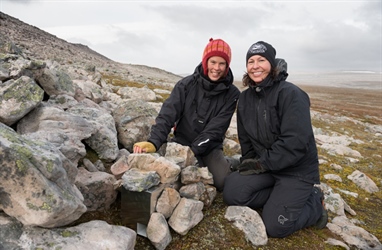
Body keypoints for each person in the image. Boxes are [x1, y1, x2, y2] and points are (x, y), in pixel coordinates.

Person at [223, 41, 328, 238]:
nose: (255, 66)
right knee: (233, 193)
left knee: (275, 226)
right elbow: (246, 138)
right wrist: (250, 162)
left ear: (272, 64)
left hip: (296, 171)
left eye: (261, 60)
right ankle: (280, 197)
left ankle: (315, 202)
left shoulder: (291, 94)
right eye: (251, 61)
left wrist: (260, 165)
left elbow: (295, 142)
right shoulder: (245, 99)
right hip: (269, 167)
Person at [133, 38, 240, 192]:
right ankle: (202, 163)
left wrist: (193, 152)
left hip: (210, 146)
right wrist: (154, 141)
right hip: (181, 142)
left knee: (221, 182)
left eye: (222, 63)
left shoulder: (232, 94)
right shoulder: (186, 85)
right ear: (205, 62)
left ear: (227, 65)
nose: (216, 68)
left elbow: (217, 128)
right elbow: (167, 114)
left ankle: (229, 162)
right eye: (213, 62)